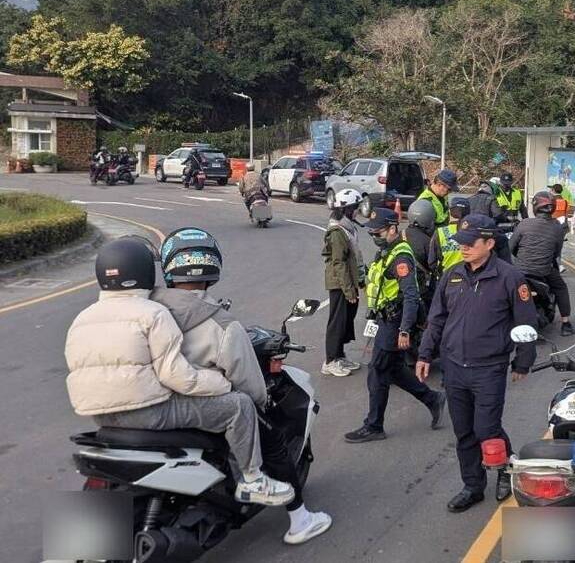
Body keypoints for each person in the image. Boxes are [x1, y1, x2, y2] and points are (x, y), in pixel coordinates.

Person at [64, 237, 294, 508]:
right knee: (239, 406)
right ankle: (253, 480)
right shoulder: (154, 313)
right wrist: (222, 384)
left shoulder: (83, 318)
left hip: (100, 417)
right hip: (147, 413)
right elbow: (176, 376)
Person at [149, 228, 331, 544]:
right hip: (198, 406)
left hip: (144, 405)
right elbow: (249, 383)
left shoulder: (147, 308)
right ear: (212, 267)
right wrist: (262, 402)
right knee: (269, 431)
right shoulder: (221, 325)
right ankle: (299, 519)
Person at [417, 214, 538, 512]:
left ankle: (505, 470)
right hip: (454, 367)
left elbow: (526, 321)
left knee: (486, 428)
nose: (464, 248)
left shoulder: (510, 278)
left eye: (471, 244)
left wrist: (523, 362)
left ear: (490, 243)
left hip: (489, 369)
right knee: (465, 433)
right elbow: (436, 318)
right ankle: (472, 486)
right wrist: (424, 354)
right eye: (461, 243)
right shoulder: (453, 274)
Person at [344, 208, 446, 443]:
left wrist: (404, 330)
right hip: (384, 319)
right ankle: (432, 399)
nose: (374, 237)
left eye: (378, 232)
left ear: (393, 229)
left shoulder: (401, 258)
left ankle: (374, 425)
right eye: (372, 233)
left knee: (377, 372)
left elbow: (411, 296)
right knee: (393, 370)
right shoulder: (386, 251)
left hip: (394, 322)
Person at [509, 191, 575, 337]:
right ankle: (566, 324)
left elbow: (511, 248)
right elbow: (556, 253)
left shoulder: (524, 223)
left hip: (520, 271)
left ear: (535, 207)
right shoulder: (558, 228)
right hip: (544, 271)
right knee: (560, 287)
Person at [321, 188, 365, 378]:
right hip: (340, 283)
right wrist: (348, 290)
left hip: (349, 280)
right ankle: (330, 361)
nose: (356, 211)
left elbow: (354, 257)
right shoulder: (337, 232)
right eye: (354, 208)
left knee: (346, 320)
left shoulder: (347, 227)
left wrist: (360, 280)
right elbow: (338, 263)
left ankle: (339, 355)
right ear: (347, 209)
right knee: (337, 322)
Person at [428, 197, 471, 284]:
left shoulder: (440, 232)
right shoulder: (474, 232)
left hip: (447, 280)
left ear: (450, 212)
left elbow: (431, 262)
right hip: (469, 280)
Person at [403, 198, 437, 306]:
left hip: (399, 288)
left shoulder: (399, 235)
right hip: (420, 291)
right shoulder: (428, 242)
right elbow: (433, 266)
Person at [468, 182, 512, 263]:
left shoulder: (469, 199)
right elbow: (498, 215)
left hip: (470, 232)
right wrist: (506, 219)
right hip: (486, 232)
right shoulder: (491, 198)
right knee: (503, 242)